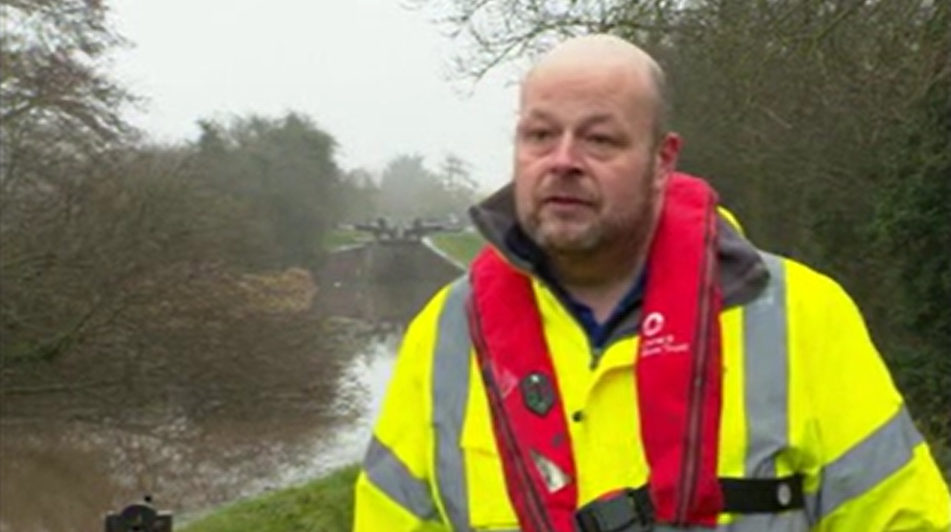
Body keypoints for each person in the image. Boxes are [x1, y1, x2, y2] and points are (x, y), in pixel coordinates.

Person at [352, 34, 950, 532]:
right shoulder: (448, 333)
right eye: (539, 135)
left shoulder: (801, 315)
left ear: (663, 160)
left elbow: (905, 519)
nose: (562, 160)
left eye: (599, 138)